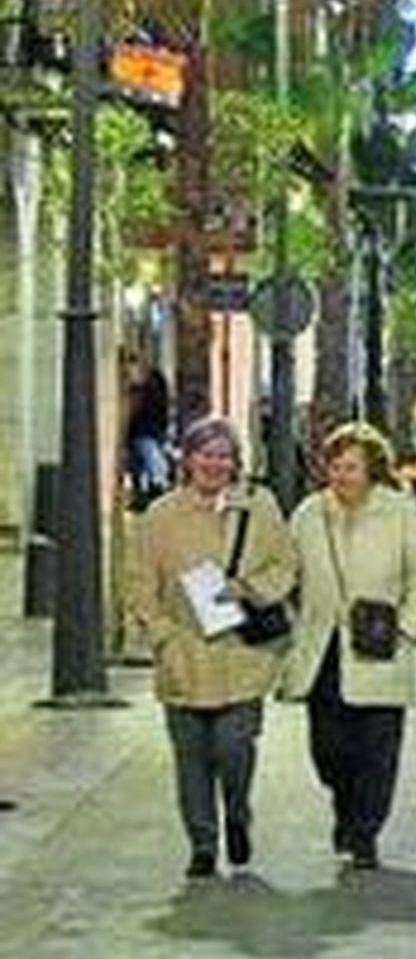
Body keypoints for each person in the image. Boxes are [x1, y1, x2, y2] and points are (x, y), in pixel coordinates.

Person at [125, 415, 296, 878]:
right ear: (188, 458)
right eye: (206, 454)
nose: (214, 463)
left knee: (234, 746)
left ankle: (237, 813)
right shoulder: (160, 515)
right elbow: (139, 583)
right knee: (191, 758)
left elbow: (286, 566)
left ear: (235, 461)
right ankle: (202, 843)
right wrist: (160, 633)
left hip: (242, 653)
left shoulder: (259, 506)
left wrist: (250, 588)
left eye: (224, 455)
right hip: (183, 654)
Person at [282, 422, 416, 869]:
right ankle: (344, 806)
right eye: (334, 466)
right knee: (328, 751)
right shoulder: (309, 513)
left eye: (351, 466)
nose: (341, 475)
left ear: (372, 468)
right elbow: (288, 572)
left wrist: (407, 630)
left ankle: (365, 830)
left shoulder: (402, 513)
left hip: (380, 646)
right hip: (324, 649)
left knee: (377, 750)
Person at [124, 353, 173, 508]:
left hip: (146, 429)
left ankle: (157, 486)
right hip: (147, 429)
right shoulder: (155, 379)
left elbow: (147, 405)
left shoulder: (149, 382)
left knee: (149, 457)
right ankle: (147, 492)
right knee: (141, 463)